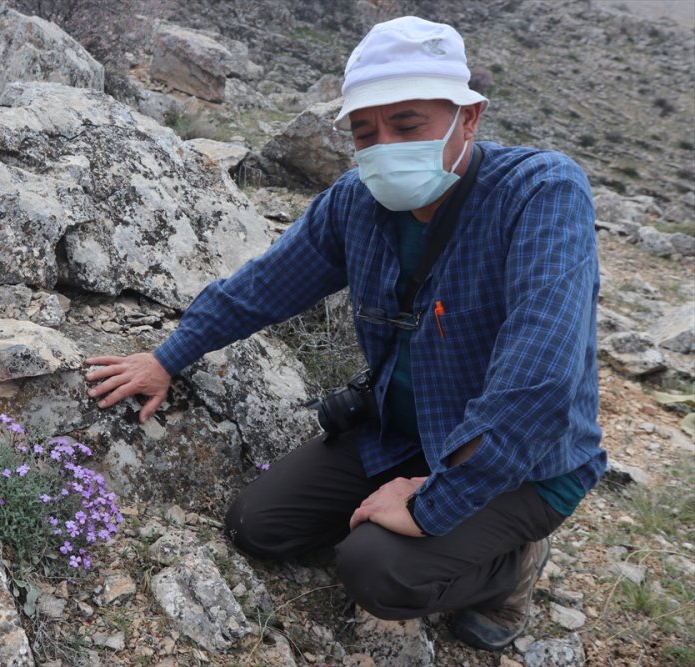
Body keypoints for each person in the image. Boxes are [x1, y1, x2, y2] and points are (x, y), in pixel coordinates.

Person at [85, 15, 606, 652]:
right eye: (366, 131)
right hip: (400, 434)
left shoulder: (540, 193)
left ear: (468, 119)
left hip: (524, 463)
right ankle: (419, 515)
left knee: (374, 569)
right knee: (258, 525)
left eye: (408, 124)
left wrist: (430, 505)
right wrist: (169, 356)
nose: (385, 145)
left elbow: (541, 378)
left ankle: (510, 567)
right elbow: (264, 286)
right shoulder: (356, 202)